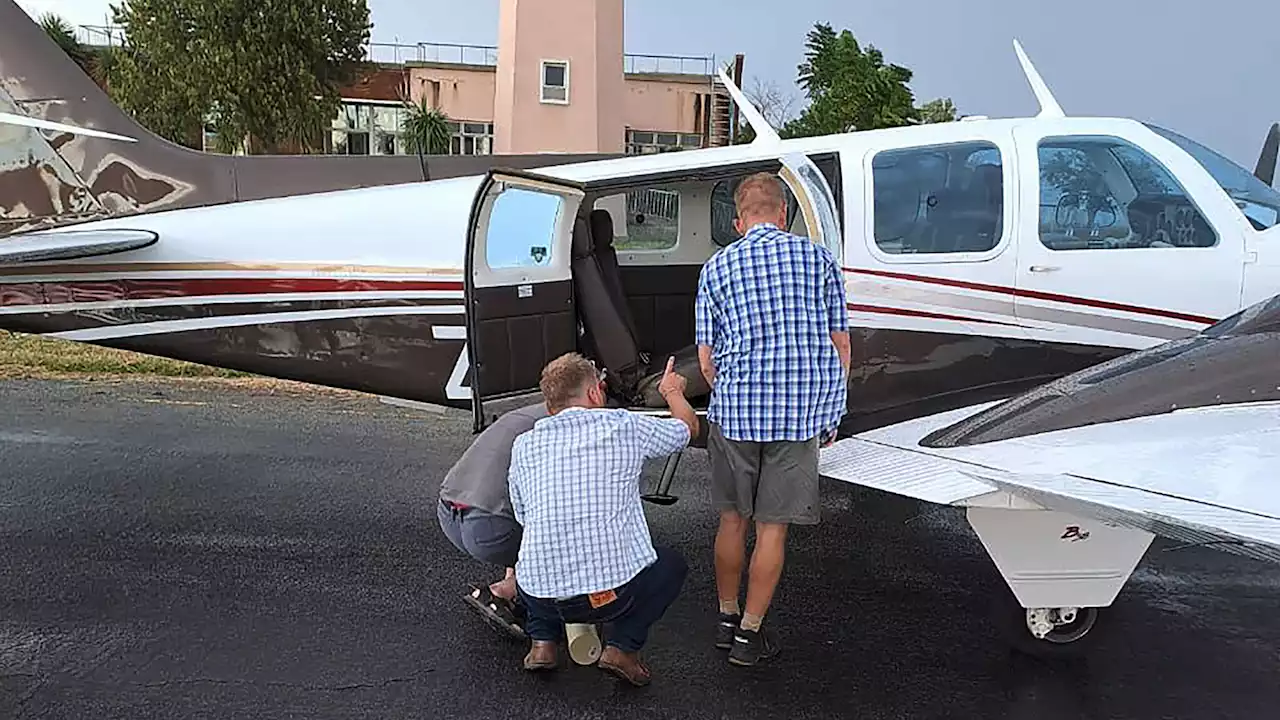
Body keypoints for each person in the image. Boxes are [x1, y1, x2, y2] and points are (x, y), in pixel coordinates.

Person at [694, 171, 851, 667]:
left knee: (732, 520)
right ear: (784, 215)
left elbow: (706, 357)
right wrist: (829, 409)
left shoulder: (717, 267)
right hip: (799, 416)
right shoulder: (819, 259)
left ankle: (725, 616)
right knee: (773, 529)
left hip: (737, 414)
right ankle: (749, 636)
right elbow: (840, 345)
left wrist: (733, 394)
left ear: (739, 221)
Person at [507, 352, 698, 686]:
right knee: (671, 566)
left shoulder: (524, 445)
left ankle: (542, 644)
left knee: (537, 554)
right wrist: (673, 393)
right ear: (595, 393)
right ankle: (623, 648)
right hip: (609, 597)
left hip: (539, 596)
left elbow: (523, 515)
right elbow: (687, 428)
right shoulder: (622, 425)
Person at [437, 401, 549, 639]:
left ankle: (516, 587)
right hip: (488, 528)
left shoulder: (525, 413)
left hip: (449, 512)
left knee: (519, 506)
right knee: (577, 531)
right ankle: (504, 591)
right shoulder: (568, 427)